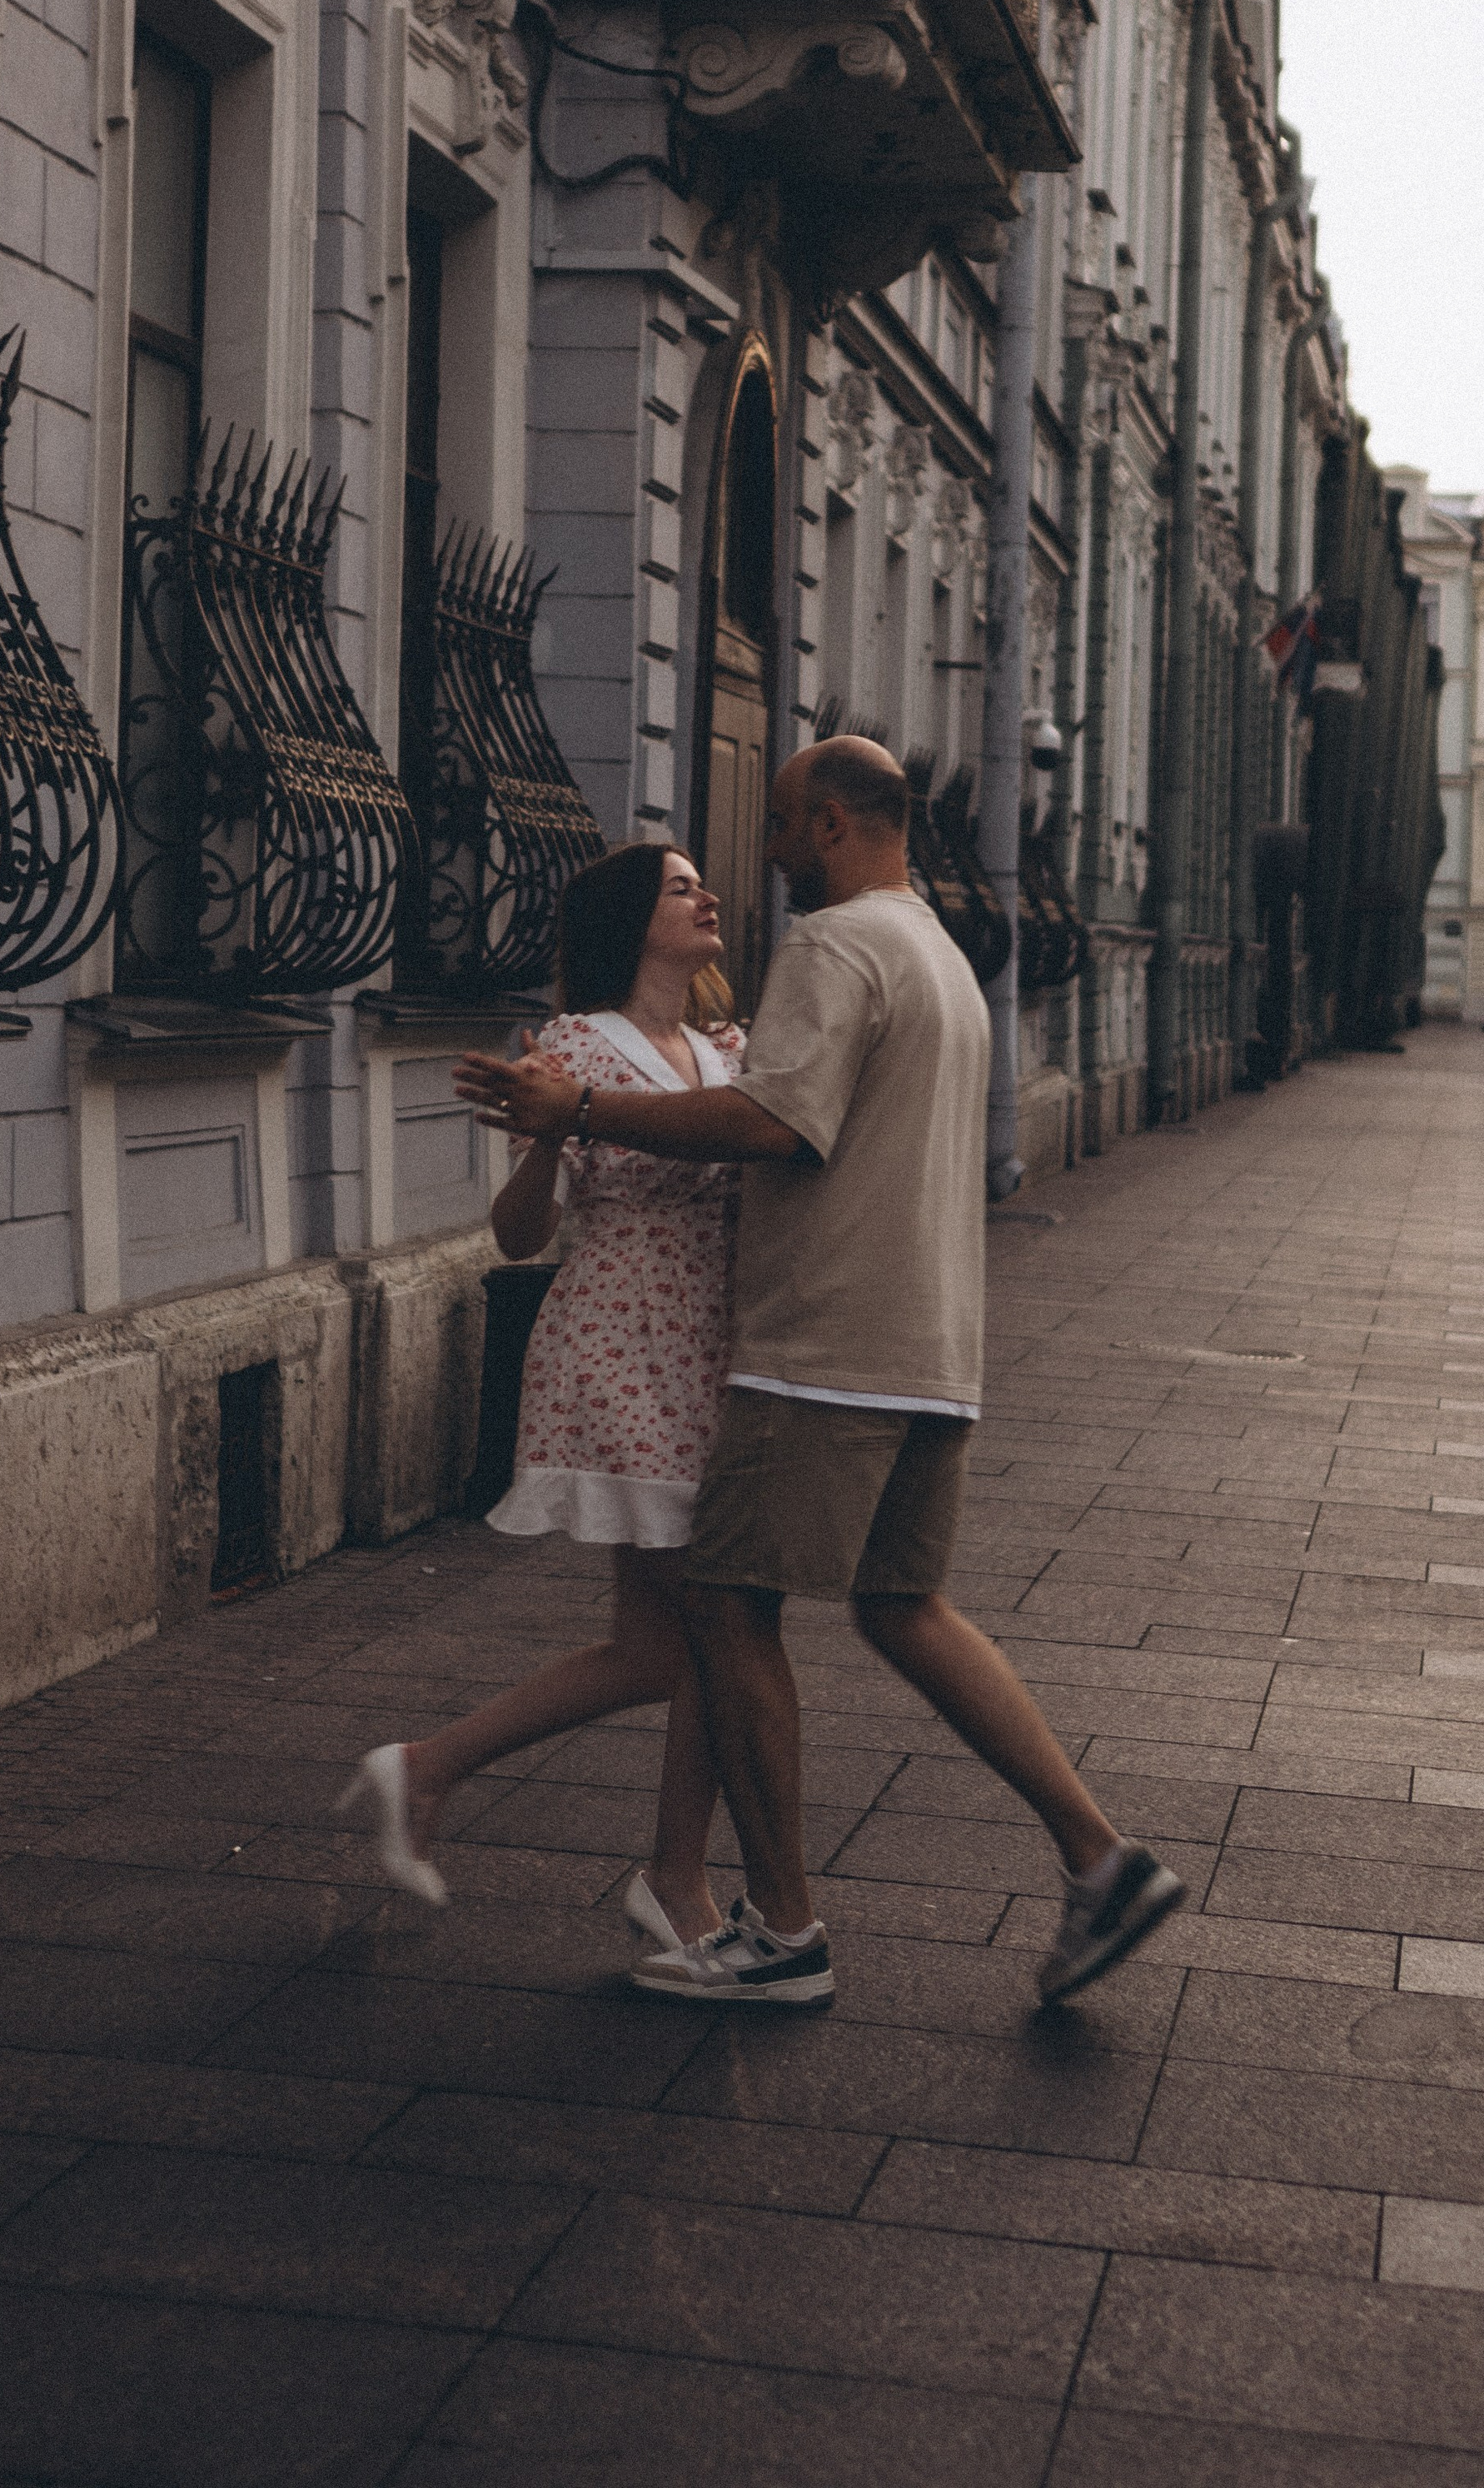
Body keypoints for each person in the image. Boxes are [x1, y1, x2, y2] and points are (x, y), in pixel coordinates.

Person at [456, 737, 1185, 2008]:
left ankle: (783, 1931)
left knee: (727, 1609)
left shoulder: (836, 946)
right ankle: (1100, 1857)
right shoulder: (940, 956)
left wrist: (580, 1111)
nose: (773, 849)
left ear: (838, 826)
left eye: (788, 824)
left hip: (822, 1351)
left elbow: (773, 1125)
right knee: (907, 1609)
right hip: (932, 1347)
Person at [335, 842, 742, 1947]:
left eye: (700, 883)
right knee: (717, 1631)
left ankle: (427, 1768)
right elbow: (520, 1236)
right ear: (629, 920)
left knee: (660, 1651)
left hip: (705, 1347)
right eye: (680, 887)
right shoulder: (571, 1048)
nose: (706, 896)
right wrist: (546, 1139)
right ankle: (678, 1885)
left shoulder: (723, 1050)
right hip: (620, 1342)